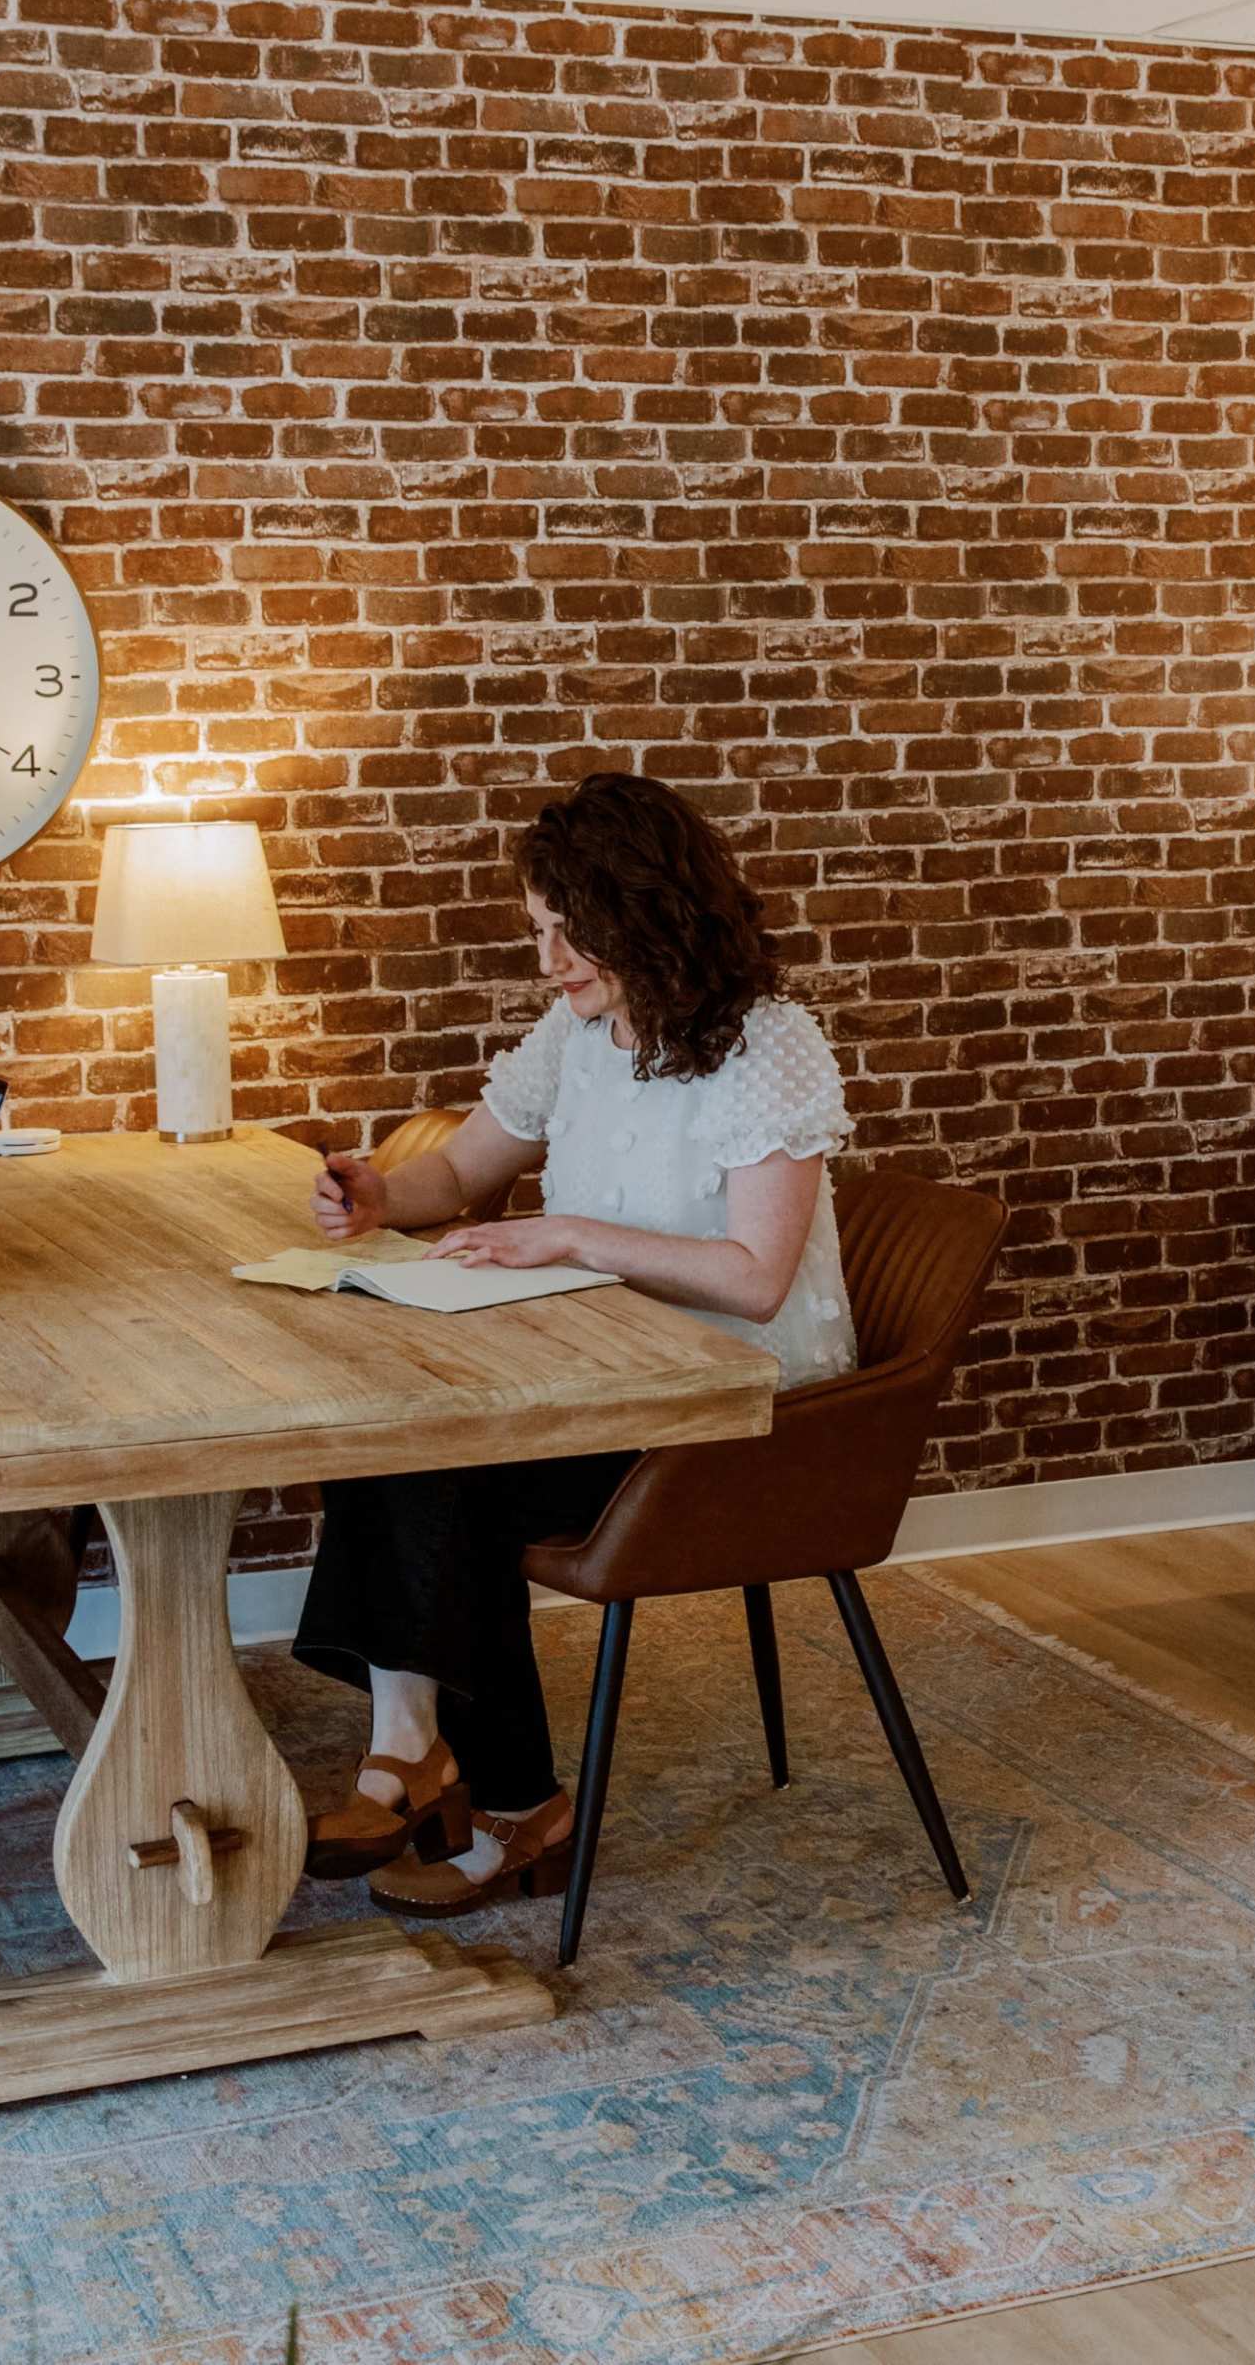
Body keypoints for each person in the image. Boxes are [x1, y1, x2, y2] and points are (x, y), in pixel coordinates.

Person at [293, 772, 856, 1914]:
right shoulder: (579, 1029)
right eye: (540, 932)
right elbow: (459, 1171)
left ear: (646, 910)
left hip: (738, 1408)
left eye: (568, 931)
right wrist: (377, 1196)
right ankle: (408, 1752)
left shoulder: (772, 1046)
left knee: (454, 1484)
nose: (548, 960)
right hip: (606, 1371)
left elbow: (753, 1284)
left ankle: (508, 1804)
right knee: (398, 1444)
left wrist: (568, 1238)